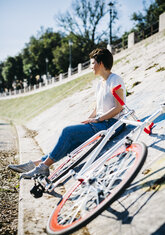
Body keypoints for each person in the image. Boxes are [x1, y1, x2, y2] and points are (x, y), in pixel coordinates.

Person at [8, 48, 126, 179]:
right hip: (101, 123)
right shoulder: (100, 83)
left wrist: (97, 120)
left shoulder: (115, 80)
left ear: (101, 63)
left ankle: (42, 167)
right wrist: (89, 119)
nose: (91, 67)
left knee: (68, 132)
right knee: (69, 141)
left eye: (93, 63)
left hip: (112, 124)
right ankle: (37, 164)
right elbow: (98, 108)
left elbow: (119, 107)